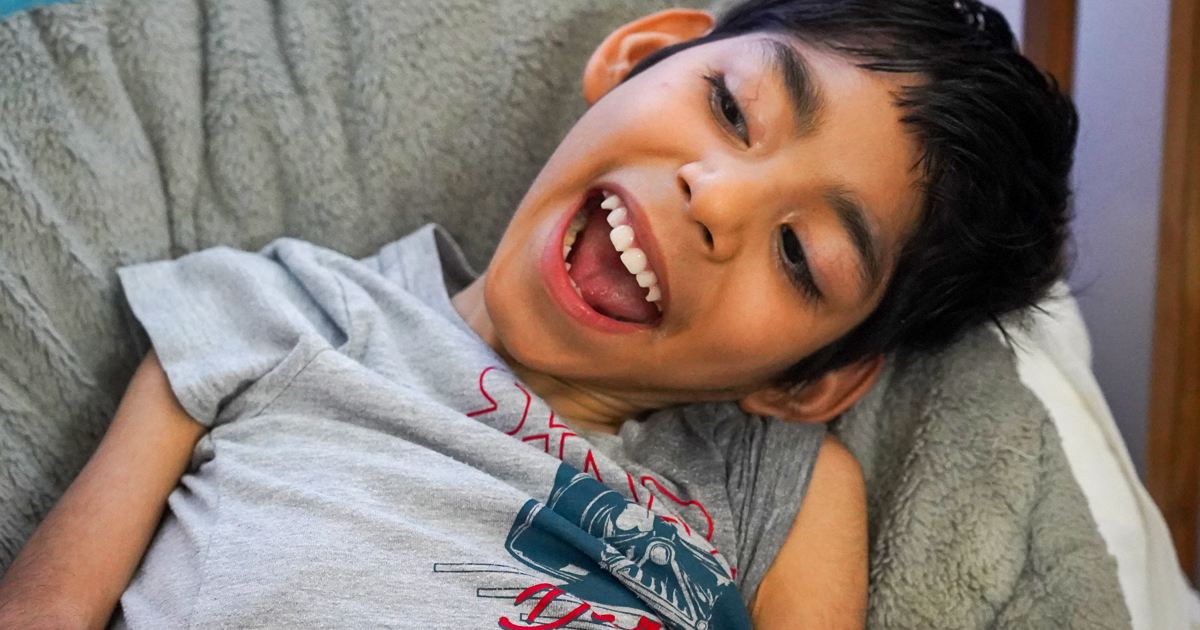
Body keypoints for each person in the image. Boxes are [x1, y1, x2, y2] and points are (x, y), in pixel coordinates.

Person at [0, 0, 1076, 628]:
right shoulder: (275, 308)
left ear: (812, 382)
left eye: (803, 255)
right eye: (732, 108)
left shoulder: (782, 489)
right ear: (642, 51)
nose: (719, 199)